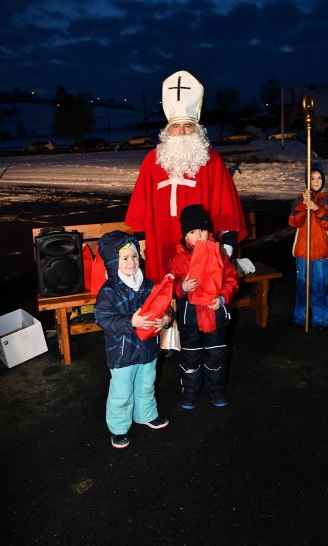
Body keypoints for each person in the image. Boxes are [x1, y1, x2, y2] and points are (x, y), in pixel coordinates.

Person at [125, 70, 247, 284]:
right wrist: (141, 238)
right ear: (167, 130)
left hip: (200, 244)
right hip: (160, 240)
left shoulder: (211, 161)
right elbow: (140, 204)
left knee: (200, 294)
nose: (181, 132)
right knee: (164, 294)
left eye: (188, 126)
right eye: (176, 126)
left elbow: (225, 204)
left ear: (197, 129)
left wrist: (227, 241)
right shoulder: (152, 161)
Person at [94, 230, 171, 449]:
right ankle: (119, 428)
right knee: (121, 392)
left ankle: (145, 414)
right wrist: (131, 322)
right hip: (122, 353)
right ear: (112, 262)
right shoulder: (108, 292)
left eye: (135, 256)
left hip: (147, 350)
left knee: (146, 384)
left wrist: (165, 318)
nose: (131, 262)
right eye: (124, 258)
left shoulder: (147, 285)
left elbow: (163, 305)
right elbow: (103, 318)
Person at [168, 204, 239, 410]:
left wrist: (223, 298)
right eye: (192, 232)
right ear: (185, 236)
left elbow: (231, 280)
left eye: (202, 230)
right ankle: (190, 391)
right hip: (190, 320)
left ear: (210, 232)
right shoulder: (179, 259)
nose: (198, 235)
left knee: (216, 355)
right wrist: (181, 286)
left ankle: (216, 389)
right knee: (190, 357)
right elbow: (168, 285)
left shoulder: (219, 254)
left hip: (216, 317)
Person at [288, 162, 328, 331]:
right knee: (302, 286)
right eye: (312, 178)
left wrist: (318, 209)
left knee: (319, 286)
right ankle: (300, 317)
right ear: (307, 180)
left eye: (319, 178)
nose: (316, 181)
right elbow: (293, 222)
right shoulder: (300, 198)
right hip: (303, 251)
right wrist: (304, 205)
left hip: (321, 252)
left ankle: (319, 319)